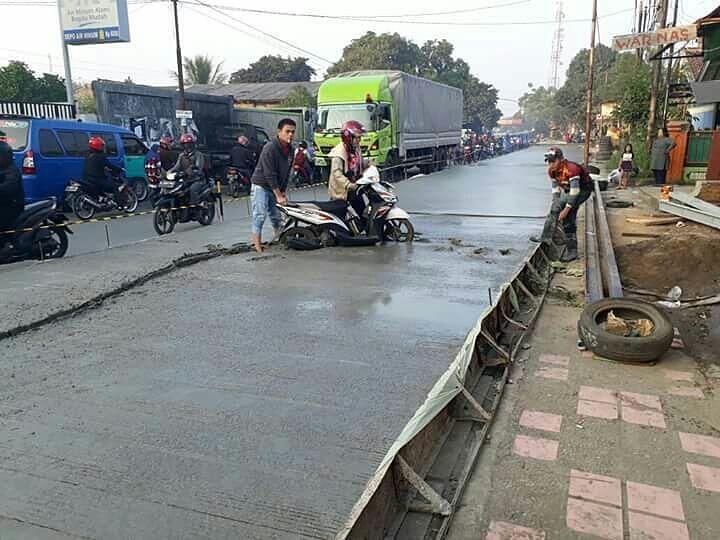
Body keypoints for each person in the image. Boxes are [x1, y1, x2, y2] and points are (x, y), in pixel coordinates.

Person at [532, 147, 594, 262]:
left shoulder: (571, 169)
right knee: (554, 208)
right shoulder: (552, 170)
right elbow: (555, 188)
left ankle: (572, 251)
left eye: (553, 161)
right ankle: (545, 237)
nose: (550, 164)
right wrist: (556, 203)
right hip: (568, 189)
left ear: (560, 159)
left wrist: (566, 210)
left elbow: (575, 193)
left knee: (569, 218)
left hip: (583, 190)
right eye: (548, 162)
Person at [250, 118, 295, 253]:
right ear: (279, 132)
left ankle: (281, 240)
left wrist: (282, 192)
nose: (290, 135)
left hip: (275, 187)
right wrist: (278, 195)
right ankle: (257, 247)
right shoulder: (270, 148)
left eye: (293, 132)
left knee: (276, 217)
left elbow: (287, 173)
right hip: (261, 185)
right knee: (260, 215)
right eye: (287, 131)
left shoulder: (291, 150)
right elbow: (269, 174)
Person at [328, 120, 367, 220]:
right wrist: (348, 185)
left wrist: (370, 164)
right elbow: (337, 174)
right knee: (339, 219)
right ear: (348, 137)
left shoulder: (355, 148)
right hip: (342, 192)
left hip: (354, 187)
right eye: (356, 138)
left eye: (360, 137)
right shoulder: (338, 153)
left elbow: (359, 164)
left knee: (363, 212)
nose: (359, 140)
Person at [169, 133, 207, 205]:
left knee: (193, 190)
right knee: (177, 189)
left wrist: (192, 171)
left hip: (198, 179)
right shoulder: (181, 155)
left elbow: (199, 167)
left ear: (193, 144)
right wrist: (169, 172)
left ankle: (195, 208)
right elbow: (177, 166)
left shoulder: (198, 154)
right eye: (185, 144)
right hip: (185, 179)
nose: (187, 146)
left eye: (189, 144)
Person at [0, 141, 24, 247]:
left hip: (12, 206)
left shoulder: (12, 171)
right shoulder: (2, 169)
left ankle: (6, 246)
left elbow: (9, 188)